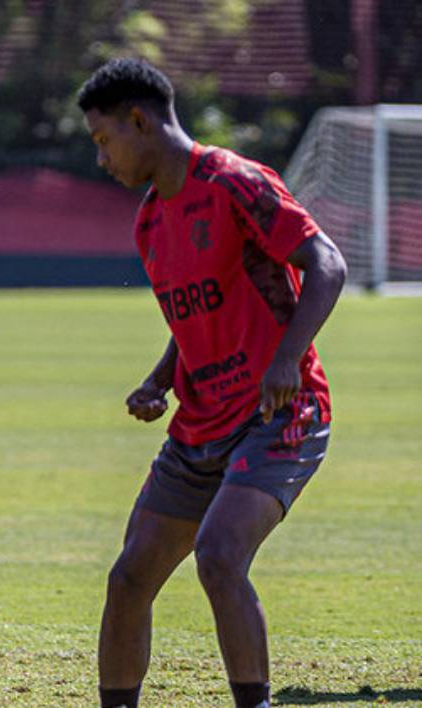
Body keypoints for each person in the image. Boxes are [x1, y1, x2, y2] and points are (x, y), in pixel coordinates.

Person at [78, 58, 345, 708]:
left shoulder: (233, 181)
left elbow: (327, 265)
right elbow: (199, 311)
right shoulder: (149, 221)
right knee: (129, 576)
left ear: (139, 121)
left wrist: (287, 359)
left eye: (103, 138)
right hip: (200, 423)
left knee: (219, 555)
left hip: (280, 412)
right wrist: (158, 379)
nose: (102, 156)